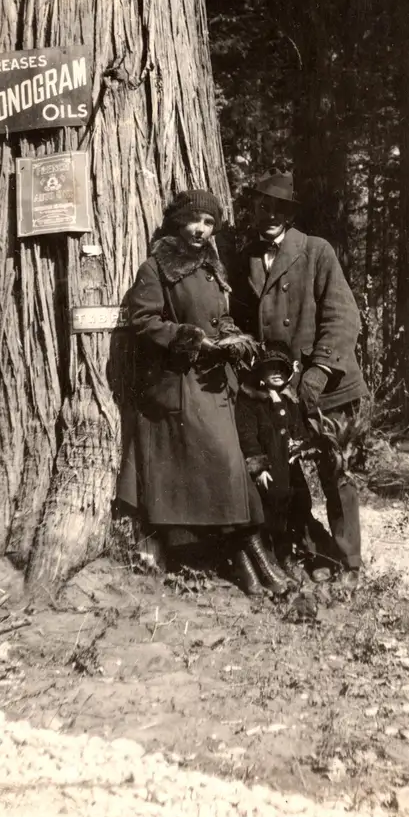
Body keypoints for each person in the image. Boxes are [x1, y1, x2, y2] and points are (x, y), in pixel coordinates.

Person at [116, 189, 290, 598]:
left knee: (231, 474)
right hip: (181, 385)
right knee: (225, 472)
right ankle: (253, 567)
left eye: (209, 223)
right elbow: (145, 321)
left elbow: (221, 314)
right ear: (179, 221)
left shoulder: (213, 267)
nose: (201, 230)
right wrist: (193, 340)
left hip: (216, 385)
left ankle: (254, 570)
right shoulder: (156, 267)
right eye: (195, 220)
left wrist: (231, 336)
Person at [231, 170, 370, 588]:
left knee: (336, 474)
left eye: (279, 209)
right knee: (285, 478)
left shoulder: (315, 251)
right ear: (253, 211)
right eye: (262, 207)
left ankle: (350, 565)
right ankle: (314, 554)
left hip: (326, 385)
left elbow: (343, 316)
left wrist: (319, 370)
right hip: (278, 389)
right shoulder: (247, 260)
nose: (270, 215)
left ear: (290, 214)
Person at [235, 341, 319, 579]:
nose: (277, 374)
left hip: (288, 468)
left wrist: (300, 446)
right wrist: (258, 467)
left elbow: (298, 429)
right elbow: (247, 435)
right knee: (268, 510)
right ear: (260, 371)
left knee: (295, 506)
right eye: (271, 368)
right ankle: (268, 558)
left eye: (282, 369)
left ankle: (287, 556)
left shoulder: (289, 400)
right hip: (269, 468)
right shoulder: (251, 400)